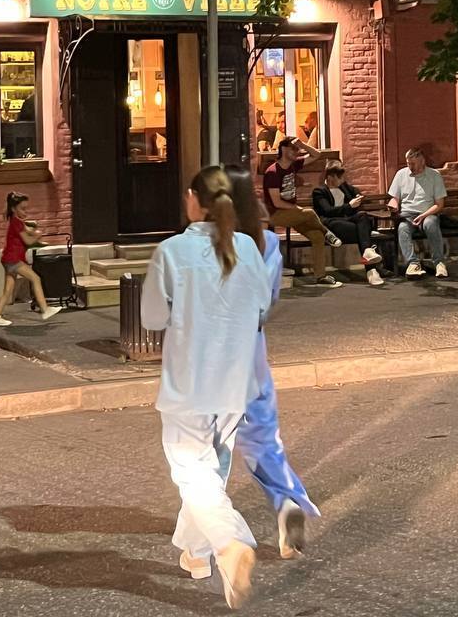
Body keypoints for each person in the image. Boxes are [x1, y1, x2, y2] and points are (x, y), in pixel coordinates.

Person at [141, 166, 271, 610]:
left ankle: (229, 543)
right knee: (210, 470)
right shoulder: (247, 247)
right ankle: (196, 554)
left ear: (194, 200)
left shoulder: (172, 250)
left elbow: (152, 317)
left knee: (192, 472)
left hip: (189, 381)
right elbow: (262, 307)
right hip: (234, 380)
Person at [225, 163, 321, 560]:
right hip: (253, 347)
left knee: (206, 447)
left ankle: (211, 532)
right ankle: (286, 502)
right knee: (263, 437)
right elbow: (271, 298)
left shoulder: (212, 244)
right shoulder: (266, 242)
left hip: (217, 349)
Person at [262, 136, 343, 288]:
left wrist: (302, 144)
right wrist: (297, 209)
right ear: (284, 149)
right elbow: (276, 202)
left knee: (317, 236)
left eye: (297, 149)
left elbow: (316, 155)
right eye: (293, 148)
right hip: (275, 214)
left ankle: (320, 277)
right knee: (310, 213)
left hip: (292, 214)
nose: (297, 151)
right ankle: (327, 233)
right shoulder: (273, 172)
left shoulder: (294, 165)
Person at [0, 192, 61, 326]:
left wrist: (35, 232)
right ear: (13, 209)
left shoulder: (17, 222)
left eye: (26, 208)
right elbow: (28, 241)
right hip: (13, 259)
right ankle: (45, 309)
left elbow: (28, 231)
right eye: (22, 208)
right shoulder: (17, 222)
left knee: (7, 290)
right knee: (35, 278)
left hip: (8, 259)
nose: (25, 211)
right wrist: (37, 236)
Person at [312, 161, 385, 287]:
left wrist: (357, 196)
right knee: (363, 233)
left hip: (347, 221)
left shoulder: (343, 187)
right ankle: (371, 270)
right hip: (331, 224)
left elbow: (357, 193)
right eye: (339, 178)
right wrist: (349, 206)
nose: (342, 180)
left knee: (362, 216)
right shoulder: (319, 191)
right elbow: (328, 211)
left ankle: (368, 253)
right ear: (330, 177)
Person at [388, 148, 450, 278]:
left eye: (413, 164)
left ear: (422, 161)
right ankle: (413, 264)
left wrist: (423, 215)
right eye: (408, 163)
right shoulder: (401, 174)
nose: (410, 167)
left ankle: (439, 262)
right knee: (402, 228)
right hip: (407, 215)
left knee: (431, 224)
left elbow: (439, 204)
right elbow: (394, 198)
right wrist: (393, 204)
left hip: (427, 213)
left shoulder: (434, 175)